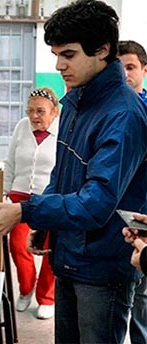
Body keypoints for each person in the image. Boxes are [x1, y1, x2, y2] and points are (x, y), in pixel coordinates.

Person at [0, 1, 147, 343]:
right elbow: (61, 175)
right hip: (69, 254)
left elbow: (97, 203)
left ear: (102, 50)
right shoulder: (74, 103)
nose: (59, 65)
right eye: (56, 54)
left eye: (68, 54)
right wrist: (46, 225)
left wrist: (26, 210)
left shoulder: (124, 115)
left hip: (101, 266)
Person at [3, 87, 59, 319]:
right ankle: (26, 289)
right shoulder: (21, 127)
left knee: (48, 249)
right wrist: (4, 192)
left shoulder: (64, 130)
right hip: (19, 197)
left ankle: (46, 297)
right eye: (30, 111)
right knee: (17, 246)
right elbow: (10, 161)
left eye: (40, 111)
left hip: (49, 198)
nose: (34, 116)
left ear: (54, 112)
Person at [118, 39, 147, 344]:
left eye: (131, 67)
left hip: (144, 216)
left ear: (144, 70)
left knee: (142, 299)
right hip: (113, 216)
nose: (125, 74)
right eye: (120, 67)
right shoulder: (107, 112)